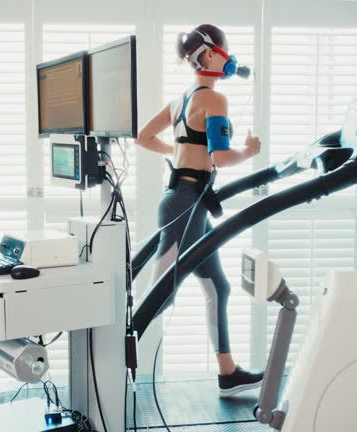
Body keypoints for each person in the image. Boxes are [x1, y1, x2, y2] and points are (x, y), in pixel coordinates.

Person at [133, 24, 264, 397]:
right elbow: (220, 156)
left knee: (217, 287)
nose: (229, 57)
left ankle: (227, 373)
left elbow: (144, 137)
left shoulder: (181, 99)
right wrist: (249, 152)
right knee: (161, 293)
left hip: (187, 203)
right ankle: (110, 346)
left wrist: (179, 156)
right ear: (210, 54)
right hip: (183, 206)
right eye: (226, 50)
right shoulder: (213, 100)